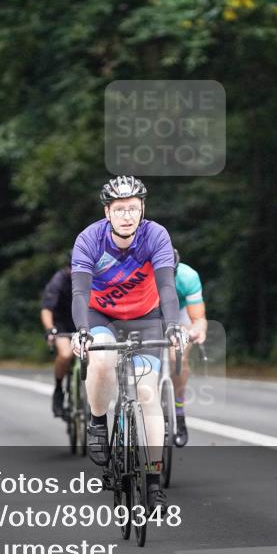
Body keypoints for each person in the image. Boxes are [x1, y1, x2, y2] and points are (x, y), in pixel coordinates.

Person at [70, 175, 185, 512]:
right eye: (120, 209)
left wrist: (174, 326)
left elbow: (166, 287)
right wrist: (81, 330)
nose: (127, 216)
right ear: (108, 212)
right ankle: (96, 420)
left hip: (146, 316)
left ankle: (152, 482)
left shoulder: (156, 235)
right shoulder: (89, 239)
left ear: (142, 209)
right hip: (100, 316)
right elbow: (79, 291)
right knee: (102, 363)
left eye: (133, 208)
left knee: (148, 394)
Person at [171, 249, 207, 447]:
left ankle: (178, 408)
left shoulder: (187, 276)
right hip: (149, 311)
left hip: (179, 313)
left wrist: (195, 331)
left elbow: (198, 318)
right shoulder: (142, 273)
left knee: (177, 358)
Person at [41, 265, 76, 418]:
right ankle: (58, 389)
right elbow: (47, 309)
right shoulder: (60, 280)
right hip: (61, 325)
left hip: (85, 323)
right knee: (66, 354)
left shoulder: (94, 276)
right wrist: (50, 329)